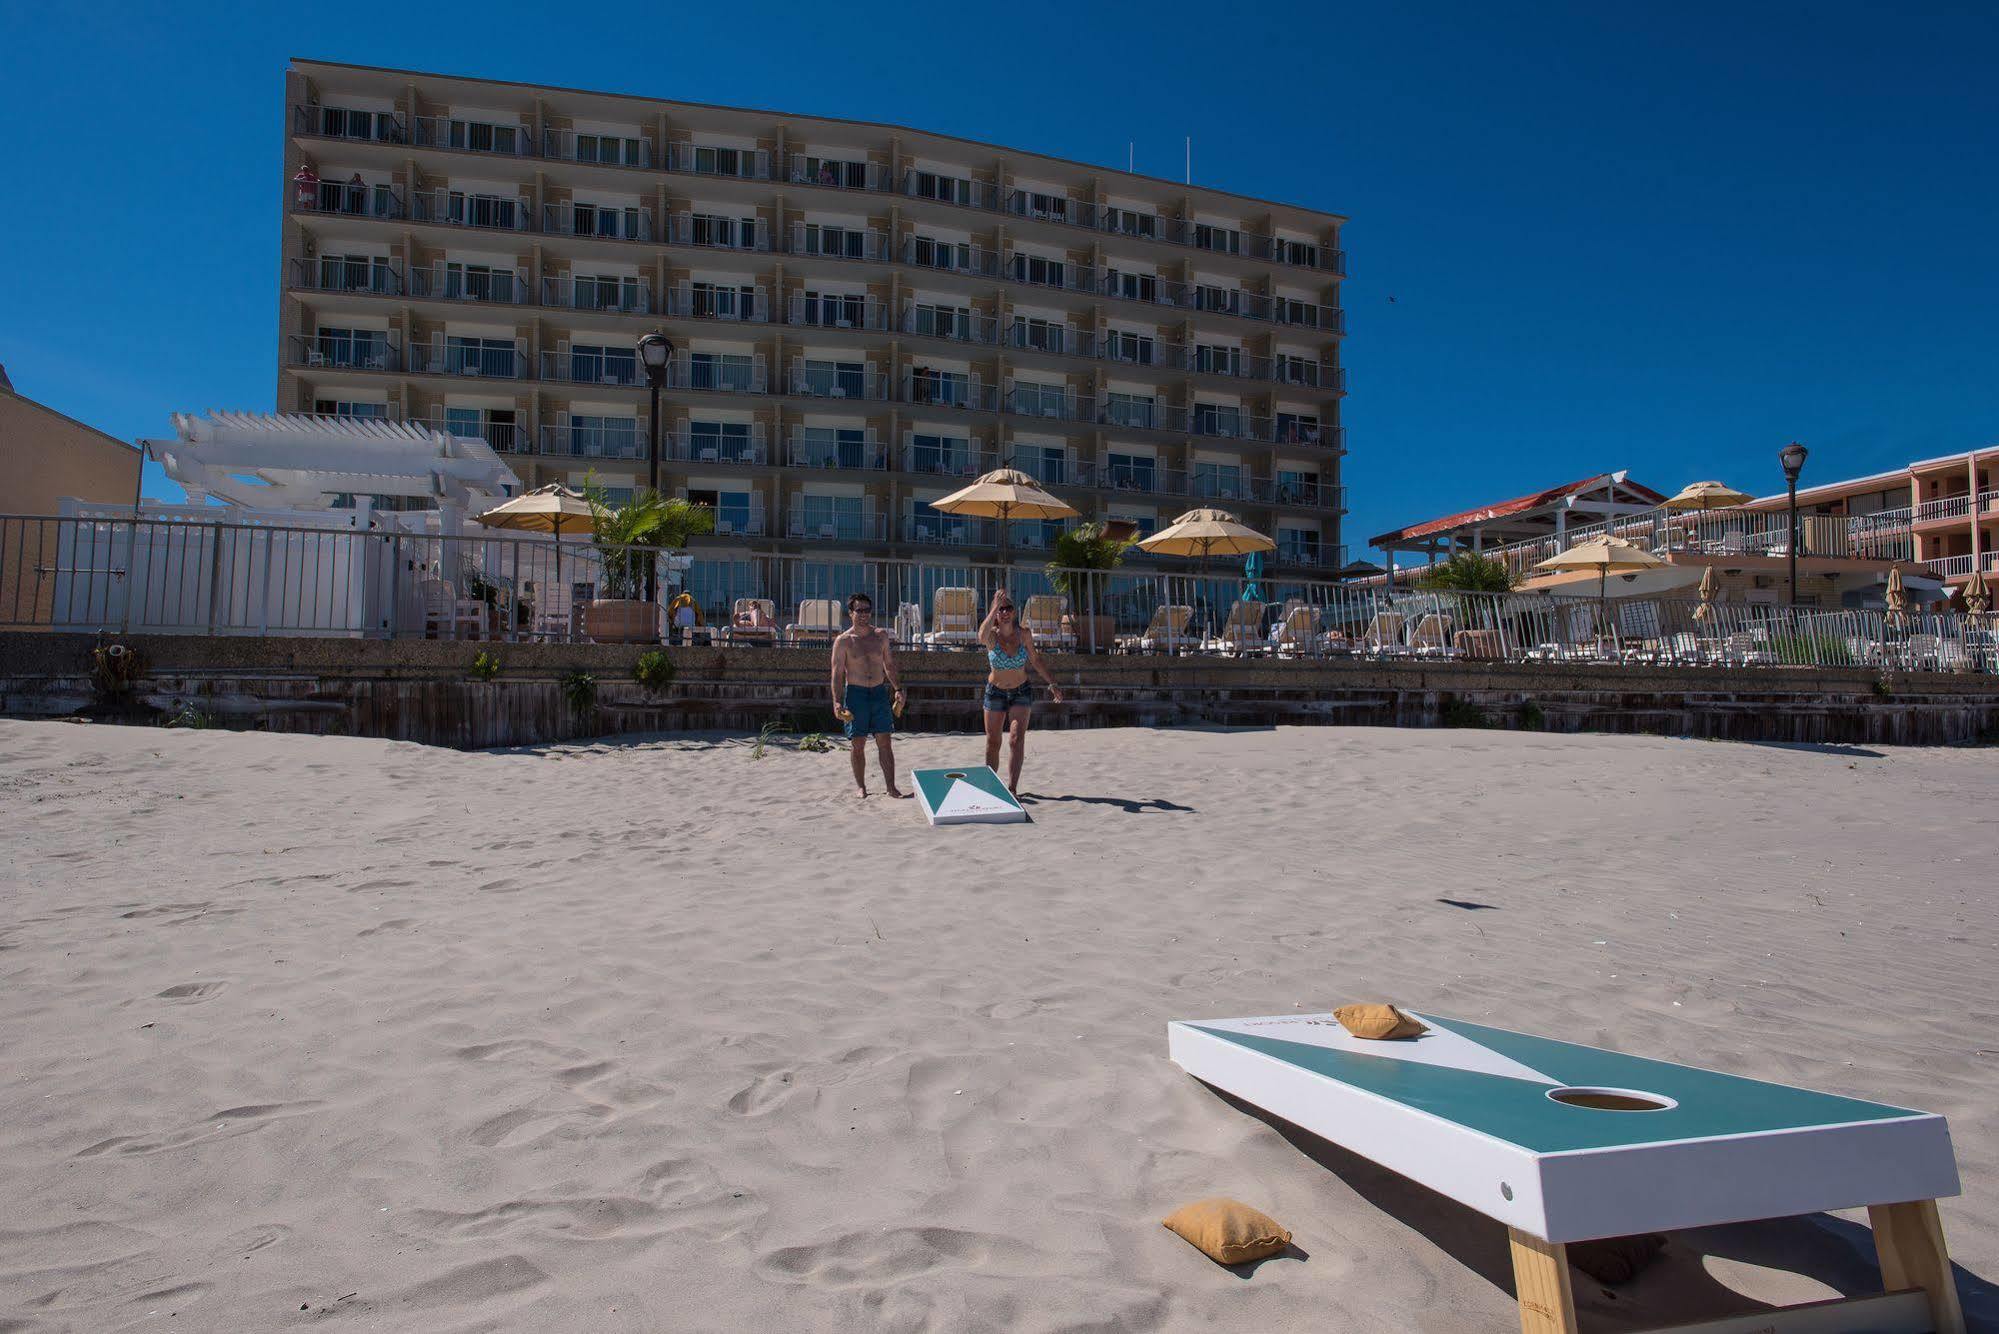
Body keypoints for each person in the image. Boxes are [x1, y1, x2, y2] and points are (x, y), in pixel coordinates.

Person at [978, 589, 1063, 795]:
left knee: (1016, 739)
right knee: (993, 741)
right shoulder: (991, 636)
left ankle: (1013, 788)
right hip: (995, 693)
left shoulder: (1024, 634)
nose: (1005, 612)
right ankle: (991, 786)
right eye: (1001, 609)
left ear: (1014, 612)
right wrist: (993, 609)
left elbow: (1035, 660)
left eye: (1008, 608)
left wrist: (1052, 683)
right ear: (996, 613)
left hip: (1021, 692)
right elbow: (980, 636)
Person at [830, 592, 906, 798]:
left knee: (885, 741)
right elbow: (836, 675)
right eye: (859, 610)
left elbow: (889, 665)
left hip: (879, 692)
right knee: (858, 743)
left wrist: (898, 689)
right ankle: (861, 786)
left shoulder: (880, 635)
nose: (864, 614)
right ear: (850, 613)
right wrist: (837, 702)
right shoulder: (843, 641)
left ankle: (891, 787)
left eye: (867, 610)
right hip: (856, 694)